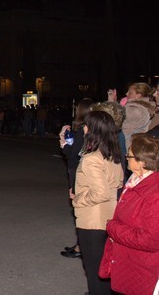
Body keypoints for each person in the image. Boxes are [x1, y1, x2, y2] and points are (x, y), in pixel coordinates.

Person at [71, 110, 124, 295]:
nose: (83, 128)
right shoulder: (113, 155)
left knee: (94, 270)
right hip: (109, 216)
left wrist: (78, 198)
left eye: (86, 125)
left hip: (92, 220)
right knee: (104, 269)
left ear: (92, 130)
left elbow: (99, 193)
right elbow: (117, 184)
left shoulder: (92, 159)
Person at [100, 133, 159, 294]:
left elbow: (150, 240)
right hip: (129, 260)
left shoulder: (154, 194)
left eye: (130, 155)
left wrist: (113, 228)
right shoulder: (136, 180)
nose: (127, 157)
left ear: (142, 162)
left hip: (141, 267)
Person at [58, 98, 93, 259]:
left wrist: (63, 142)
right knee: (80, 207)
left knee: (79, 206)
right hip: (81, 168)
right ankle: (80, 244)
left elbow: (73, 153)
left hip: (78, 169)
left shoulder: (84, 130)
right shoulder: (90, 128)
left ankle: (81, 247)